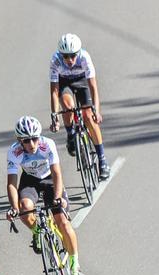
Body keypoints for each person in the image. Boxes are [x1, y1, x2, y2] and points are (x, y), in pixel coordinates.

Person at [5, 115, 84, 275]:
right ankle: (37, 232)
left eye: (34, 139)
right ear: (19, 141)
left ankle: (74, 264)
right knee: (24, 208)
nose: (32, 144)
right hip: (30, 179)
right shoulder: (14, 152)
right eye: (26, 141)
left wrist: (58, 198)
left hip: (50, 178)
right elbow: (12, 183)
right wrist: (14, 208)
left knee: (63, 222)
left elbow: (57, 173)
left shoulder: (47, 144)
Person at [49, 33, 111, 180]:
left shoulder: (84, 57)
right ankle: (71, 134)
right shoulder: (55, 60)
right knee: (68, 106)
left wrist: (96, 111)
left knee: (88, 116)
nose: (69, 60)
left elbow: (93, 87)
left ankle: (102, 160)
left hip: (82, 81)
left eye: (72, 56)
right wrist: (54, 117)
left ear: (78, 52)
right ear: (61, 54)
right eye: (65, 56)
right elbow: (54, 91)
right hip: (64, 82)